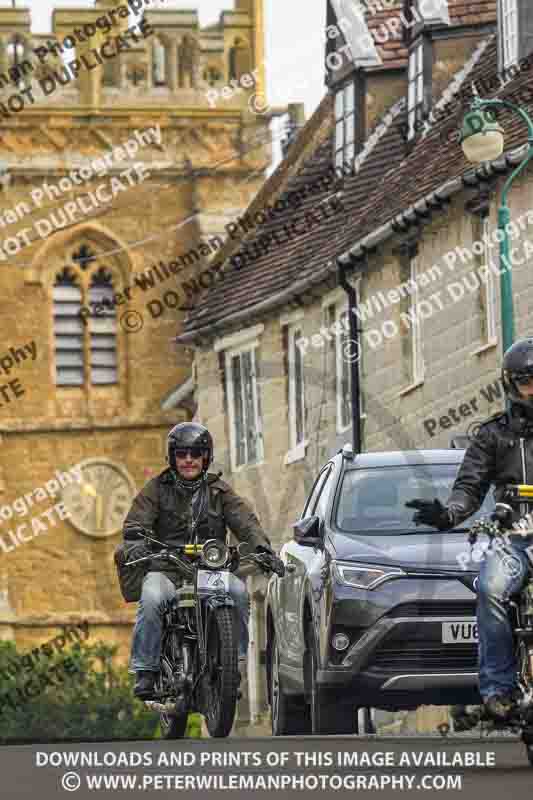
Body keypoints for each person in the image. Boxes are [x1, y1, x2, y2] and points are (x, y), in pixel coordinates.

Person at [406, 337, 533, 722]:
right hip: (513, 538)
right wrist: (448, 514)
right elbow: (469, 487)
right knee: (491, 590)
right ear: (511, 385)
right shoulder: (492, 435)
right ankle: (498, 689)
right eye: (527, 381)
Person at [122, 422, 275, 700]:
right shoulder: (156, 489)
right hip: (166, 569)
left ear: (206, 456)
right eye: (182, 454)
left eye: (196, 453)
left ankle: (232, 665)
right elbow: (137, 522)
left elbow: (245, 521)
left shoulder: (220, 491)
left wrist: (262, 547)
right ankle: (146, 669)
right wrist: (135, 542)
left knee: (238, 592)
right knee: (153, 597)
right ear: (172, 457)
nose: (189, 460)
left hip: (208, 570)